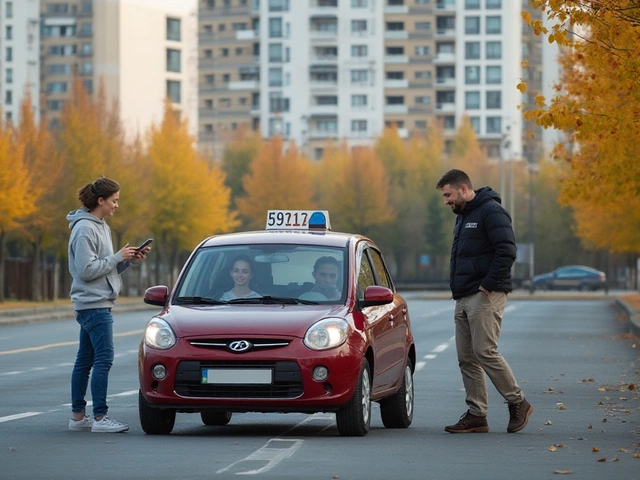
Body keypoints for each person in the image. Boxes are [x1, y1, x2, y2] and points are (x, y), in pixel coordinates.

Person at [435, 169, 533, 434]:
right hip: (464, 295)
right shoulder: (464, 216)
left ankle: (518, 401)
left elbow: (507, 251)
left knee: (484, 351)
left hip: (485, 294)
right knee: (466, 358)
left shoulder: (491, 211)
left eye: (448, 195)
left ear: (464, 188)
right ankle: (477, 415)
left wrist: (488, 285)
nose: (446, 201)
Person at [67, 177, 151, 433]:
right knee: (103, 360)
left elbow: (105, 268)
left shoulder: (101, 226)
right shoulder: (84, 229)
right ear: (100, 200)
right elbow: (86, 270)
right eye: (114, 201)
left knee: (85, 361)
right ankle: (101, 418)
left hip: (96, 301)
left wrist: (128, 261)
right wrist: (116, 257)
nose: (117, 206)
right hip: (94, 304)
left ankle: (79, 417)